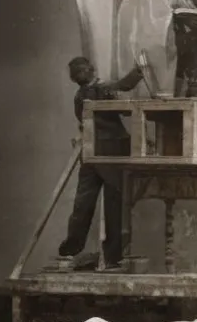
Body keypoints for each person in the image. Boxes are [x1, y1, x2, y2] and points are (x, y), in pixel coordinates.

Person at [57, 57, 144, 269]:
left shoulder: (81, 95)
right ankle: (111, 257)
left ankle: (71, 250)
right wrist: (139, 70)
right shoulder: (95, 91)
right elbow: (121, 87)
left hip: (92, 152)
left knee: (84, 205)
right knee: (112, 207)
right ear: (89, 71)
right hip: (110, 152)